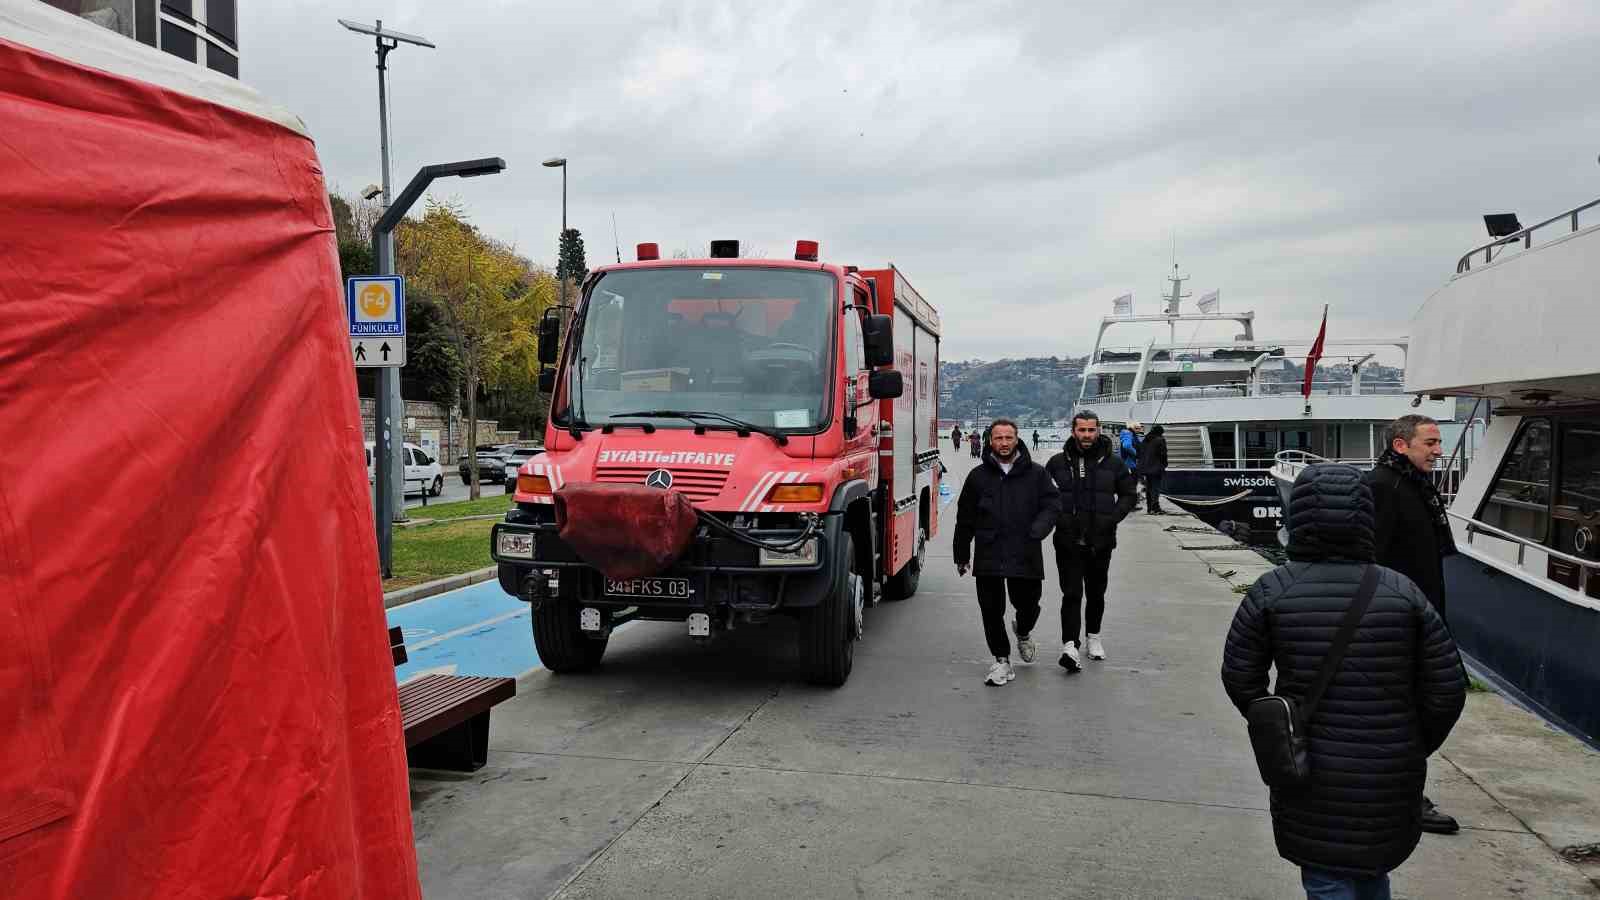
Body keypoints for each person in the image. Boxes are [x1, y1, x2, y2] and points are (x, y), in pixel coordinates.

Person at [1222, 464, 1465, 900]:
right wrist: (1411, 741)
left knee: (1327, 875)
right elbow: (1446, 688)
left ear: (1299, 517)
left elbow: (1241, 676)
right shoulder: (1404, 592)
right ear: (1365, 517)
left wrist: (1279, 724)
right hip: (1391, 765)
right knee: (1372, 870)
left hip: (1310, 763)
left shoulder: (1272, 590)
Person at [1363, 413, 1461, 836]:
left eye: (1438, 442)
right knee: (1407, 715)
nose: (1439, 451)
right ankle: (1405, 798)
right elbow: (1373, 559)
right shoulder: (1384, 487)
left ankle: (1398, 792)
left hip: (1420, 618)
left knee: (1413, 712)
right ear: (1401, 446)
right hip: (1398, 624)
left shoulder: (1412, 484)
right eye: (1431, 443)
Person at [953, 418, 1060, 686]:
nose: (1003, 443)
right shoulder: (977, 477)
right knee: (991, 610)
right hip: (989, 550)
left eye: (1008, 438)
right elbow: (965, 517)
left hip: (1025, 550)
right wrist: (962, 554)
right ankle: (1001, 660)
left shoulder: (1037, 474)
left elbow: (1052, 505)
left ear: (1017, 439)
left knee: (1029, 605)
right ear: (990, 440)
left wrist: (1039, 529)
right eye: (998, 438)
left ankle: (1023, 631)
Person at [1045, 410, 1137, 671]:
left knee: (1096, 593)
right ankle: (1070, 645)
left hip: (1101, 541)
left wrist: (1112, 519)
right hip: (1068, 541)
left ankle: (1093, 637)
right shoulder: (1056, 463)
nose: (1087, 435)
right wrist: (1058, 520)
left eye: (1091, 430)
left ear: (1098, 431)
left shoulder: (1114, 464)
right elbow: (1044, 497)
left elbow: (1129, 495)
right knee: (1072, 593)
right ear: (1073, 431)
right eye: (1082, 430)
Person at [1137, 424, 1168, 514]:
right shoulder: (1160, 440)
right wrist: (1164, 464)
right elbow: (1163, 455)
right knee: (1155, 488)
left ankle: (1149, 508)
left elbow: (1140, 453)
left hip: (1145, 468)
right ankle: (1156, 508)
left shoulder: (1145, 440)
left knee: (1149, 488)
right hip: (1156, 468)